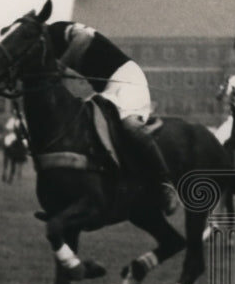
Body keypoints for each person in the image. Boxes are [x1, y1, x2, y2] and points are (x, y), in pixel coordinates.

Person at [46, 21, 178, 215]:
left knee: (131, 126)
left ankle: (166, 184)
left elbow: (85, 38)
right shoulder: (45, 52)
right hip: (105, 90)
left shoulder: (57, 30)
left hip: (127, 79)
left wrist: (61, 66)